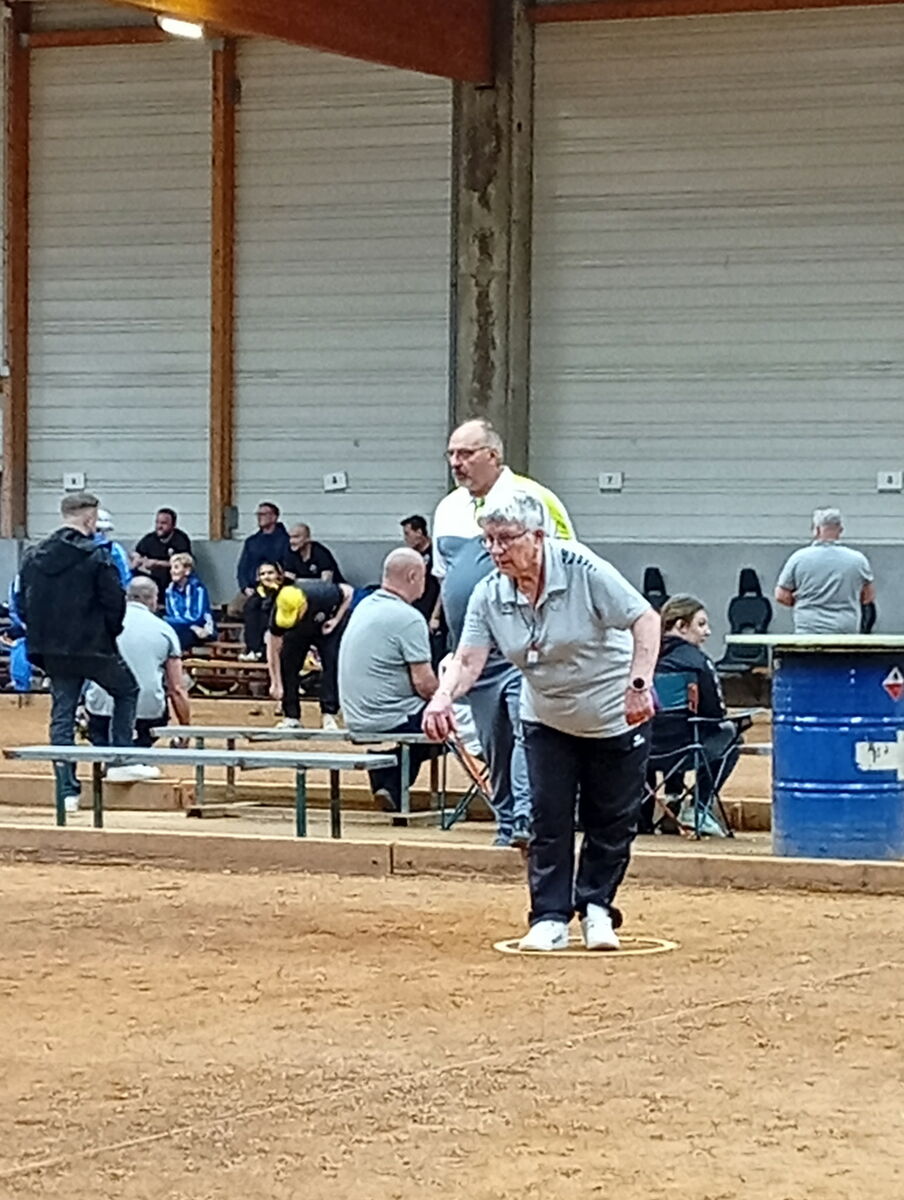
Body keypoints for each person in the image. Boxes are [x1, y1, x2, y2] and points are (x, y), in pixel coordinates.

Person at [424, 493, 659, 953]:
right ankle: (549, 916)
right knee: (546, 817)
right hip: (545, 716)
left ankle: (596, 909)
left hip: (613, 714)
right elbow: (468, 659)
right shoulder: (490, 593)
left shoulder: (583, 569)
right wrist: (442, 697)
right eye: (488, 540)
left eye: (506, 539)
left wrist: (639, 683)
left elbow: (645, 619)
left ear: (537, 536)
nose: (496, 550)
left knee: (611, 818)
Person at [432, 417, 574, 847]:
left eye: (465, 453)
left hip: (524, 643)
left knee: (525, 729)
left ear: (492, 455)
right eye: (451, 454)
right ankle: (507, 823)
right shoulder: (447, 509)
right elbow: (445, 577)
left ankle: (528, 821)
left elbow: (566, 564)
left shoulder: (535, 499)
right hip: (473, 650)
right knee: (495, 741)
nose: (456, 462)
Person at [18, 491, 140, 810]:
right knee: (127, 690)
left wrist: (41, 637)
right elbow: (115, 601)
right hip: (93, 646)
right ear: (90, 518)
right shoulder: (98, 555)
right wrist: (109, 633)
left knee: (62, 714)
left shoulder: (33, 556)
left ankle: (67, 791)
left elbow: (20, 602)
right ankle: (120, 759)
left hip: (52, 650)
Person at [339, 548, 439, 811]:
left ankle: (385, 776)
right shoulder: (409, 618)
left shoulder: (364, 606)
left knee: (427, 721)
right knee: (454, 721)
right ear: (413, 576)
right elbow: (425, 685)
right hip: (391, 718)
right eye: (424, 577)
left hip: (355, 716)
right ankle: (392, 781)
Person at [646, 594, 742, 835]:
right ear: (681, 626)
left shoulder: (641, 657)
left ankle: (646, 813)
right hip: (685, 750)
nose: (707, 632)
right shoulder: (698, 662)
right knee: (731, 736)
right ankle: (698, 807)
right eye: (701, 624)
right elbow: (716, 714)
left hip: (643, 751)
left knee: (653, 727)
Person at [85, 576, 191, 754]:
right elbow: (176, 689)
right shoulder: (165, 630)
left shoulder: (101, 624)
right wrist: (185, 728)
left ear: (126, 597)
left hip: (101, 711)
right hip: (147, 714)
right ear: (153, 599)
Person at [266, 576, 354, 730]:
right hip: (298, 632)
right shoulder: (278, 612)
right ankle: (291, 716)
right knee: (288, 663)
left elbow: (349, 592)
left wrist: (336, 619)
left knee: (332, 661)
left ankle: (329, 713)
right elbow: (273, 650)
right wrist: (275, 682)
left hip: (326, 623)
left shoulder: (322, 593)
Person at [775, 508, 875, 634]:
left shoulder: (798, 558)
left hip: (808, 629)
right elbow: (868, 597)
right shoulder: (858, 560)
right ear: (840, 530)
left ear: (816, 530)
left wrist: (803, 602)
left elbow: (780, 595)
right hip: (845, 629)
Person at [401, 514, 445, 666]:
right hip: (418, 611)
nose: (406, 539)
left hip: (433, 612)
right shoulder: (413, 557)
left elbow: (442, 586)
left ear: (419, 532)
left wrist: (436, 616)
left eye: (408, 534)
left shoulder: (436, 554)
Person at [132, 508, 192, 606]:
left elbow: (185, 562)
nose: (159, 526)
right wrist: (138, 560)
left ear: (173, 525)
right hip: (152, 580)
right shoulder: (150, 539)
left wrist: (158, 563)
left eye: (163, 523)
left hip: (171, 580)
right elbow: (137, 553)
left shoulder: (180, 539)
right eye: (157, 522)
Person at [236, 502, 290, 605]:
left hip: (276, 588)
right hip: (252, 588)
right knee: (234, 609)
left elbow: (286, 565)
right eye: (258, 514)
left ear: (274, 517)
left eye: (263, 514)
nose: (259, 517)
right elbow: (243, 567)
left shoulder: (285, 541)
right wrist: (245, 587)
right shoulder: (251, 542)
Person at [164, 553, 215, 652]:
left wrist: (191, 626)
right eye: (171, 568)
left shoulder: (198, 589)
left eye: (176, 567)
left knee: (178, 637)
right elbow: (172, 615)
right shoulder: (169, 590)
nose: (172, 571)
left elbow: (198, 617)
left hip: (201, 628)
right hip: (183, 627)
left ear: (187, 571)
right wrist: (191, 626)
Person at [240, 562, 284, 661]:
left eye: (270, 573)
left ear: (279, 575)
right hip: (258, 644)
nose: (266, 577)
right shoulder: (255, 598)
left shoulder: (286, 592)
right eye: (262, 574)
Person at [94, 509, 131, 589]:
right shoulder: (78, 547)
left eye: (104, 530)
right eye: (97, 530)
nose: (101, 533)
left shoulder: (114, 549)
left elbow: (124, 573)